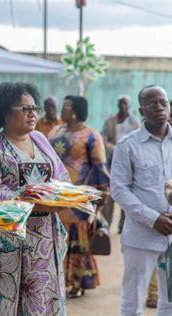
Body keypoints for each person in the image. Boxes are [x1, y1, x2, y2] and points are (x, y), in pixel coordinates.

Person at [0, 82, 70, 315]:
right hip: (10, 245)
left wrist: (67, 196)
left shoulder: (40, 140)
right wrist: (36, 199)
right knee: (14, 303)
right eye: (25, 109)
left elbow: (63, 178)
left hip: (46, 239)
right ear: (5, 113)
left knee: (47, 299)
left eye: (35, 108)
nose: (33, 113)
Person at [111, 85, 172, 315]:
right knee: (133, 303)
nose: (159, 107)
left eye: (163, 102)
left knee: (170, 302)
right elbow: (119, 189)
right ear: (141, 110)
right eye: (152, 104)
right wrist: (153, 218)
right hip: (141, 237)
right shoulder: (127, 145)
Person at [48, 95, 110, 298]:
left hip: (78, 199)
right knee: (56, 240)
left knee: (78, 241)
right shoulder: (56, 130)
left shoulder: (91, 135)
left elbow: (100, 166)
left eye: (65, 107)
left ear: (74, 111)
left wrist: (102, 196)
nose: (62, 110)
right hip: (56, 197)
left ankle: (77, 283)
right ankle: (57, 282)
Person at [101, 95, 140, 231]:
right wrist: (115, 148)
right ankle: (106, 225)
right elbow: (103, 140)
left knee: (128, 192)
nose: (123, 106)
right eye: (121, 104)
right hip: (112, 161)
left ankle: (123, 225)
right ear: (118, 105)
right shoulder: (110, 122)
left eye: (126, 104)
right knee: (110, 191)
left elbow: (138, 142)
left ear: (129, 106)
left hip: (130, 163)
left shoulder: (135, 123)